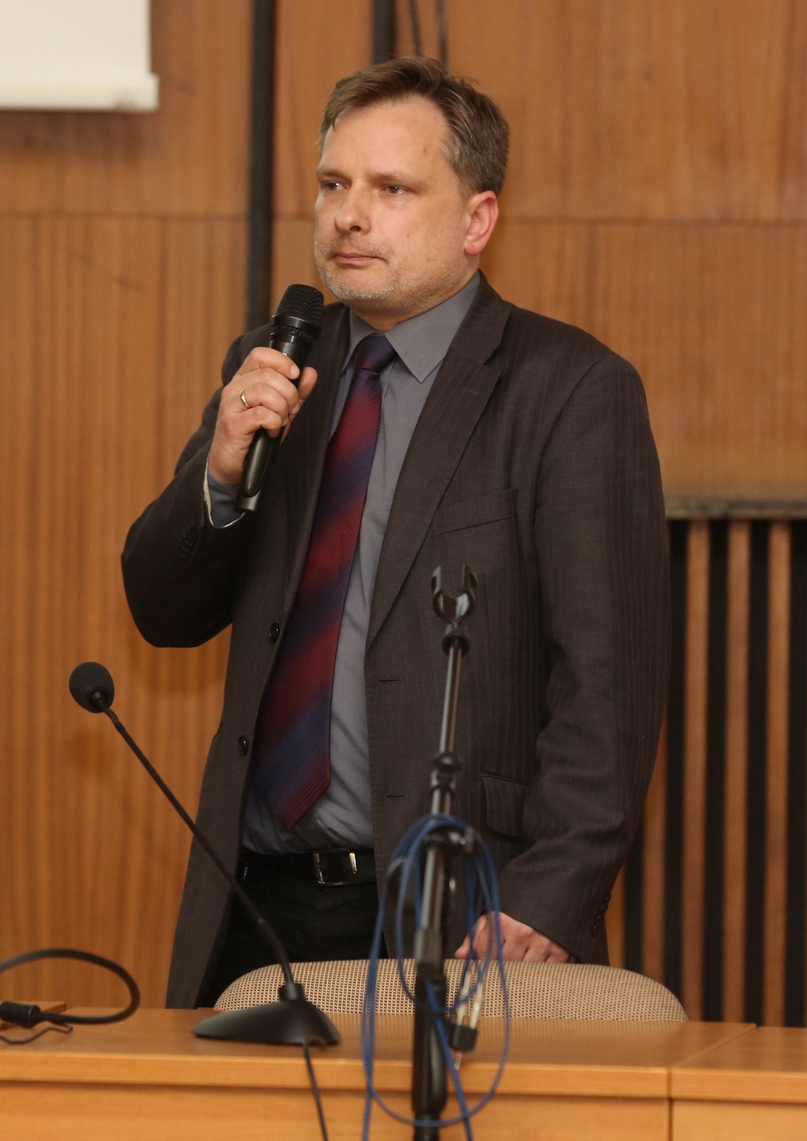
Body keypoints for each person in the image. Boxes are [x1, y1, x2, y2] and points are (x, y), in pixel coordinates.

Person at [121, 57, 668, 1009]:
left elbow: (607, 684)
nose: (349, 216)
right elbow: (162, 610)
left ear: (477, 220)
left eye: (392, 189)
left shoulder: (568, 390)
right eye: (334, 184)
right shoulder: (277, 368)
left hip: (464, 909)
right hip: (255, 905)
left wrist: (550, 895)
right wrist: (220, 474)